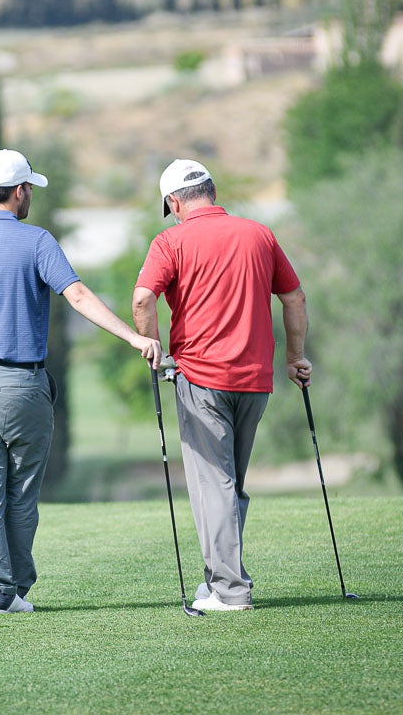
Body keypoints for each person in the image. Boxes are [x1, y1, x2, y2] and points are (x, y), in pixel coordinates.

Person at [0, 148, 163, 614]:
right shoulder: (36, 241)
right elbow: (77, 295)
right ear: (20, 192)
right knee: (20, 489)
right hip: (20, 384)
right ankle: (12, 590)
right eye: (29, 190)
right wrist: (133, 338)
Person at [131, 158, 311, 613]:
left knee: (215, 485)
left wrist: (153, 348)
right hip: (255, 381)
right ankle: (218, 582)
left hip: (201, 378)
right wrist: (295, 358)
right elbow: (294, 296)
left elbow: (142, 298)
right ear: (210, 190)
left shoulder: (170, 240)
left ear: (174, 202)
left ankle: (231, 590)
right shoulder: (259, 234)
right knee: (230, 484)